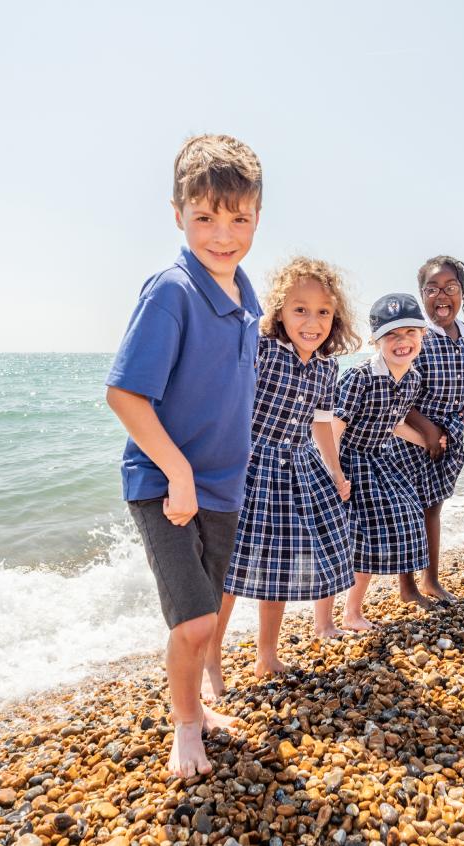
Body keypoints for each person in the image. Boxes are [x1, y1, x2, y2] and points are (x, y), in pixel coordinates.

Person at [105, 134, 263, 778]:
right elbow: (124, 395)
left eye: (238, 219)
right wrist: (177, 473)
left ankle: (196, 705)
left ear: (257, 217)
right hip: (166, 484)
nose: (221, 235)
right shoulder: (172, 290)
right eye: (204, 217)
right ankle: (186, 728)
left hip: (224, 486)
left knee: (211, 610)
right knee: (195, 620)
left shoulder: (247, 299)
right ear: (178, 214)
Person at [203, 257, 361, 690]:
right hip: (250, 467)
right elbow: (227, 399)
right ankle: (210, 658)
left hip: (296, 469)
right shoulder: (264, 349)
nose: (312, 322)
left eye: (323, 312)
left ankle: (267, 656)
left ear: (336, 317)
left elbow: (322, 424)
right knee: (233, 570)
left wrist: (336, 471)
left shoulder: (328, 368)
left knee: (280, 567)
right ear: (279, 312)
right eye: (300, 309)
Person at [333, 294, 445, 630]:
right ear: (375, 340)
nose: (403, 342)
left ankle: (356, 609)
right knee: (361, 539)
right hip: (350, 459)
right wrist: (333, 474)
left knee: (409, 514)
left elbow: (394, 423)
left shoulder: (411, 379)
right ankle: (346, 615)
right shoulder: (360, 377)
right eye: (392, 335)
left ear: (423, 336)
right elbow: (335, 428)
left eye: (411, 332)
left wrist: (426, 439)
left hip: (380, 457)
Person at [392, 255, 464, 602]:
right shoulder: (415, 337)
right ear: (422, 294)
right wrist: (427, 430)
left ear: (462, 293)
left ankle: (431, 579)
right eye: (432, 289)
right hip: (410, 434)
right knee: (408, 508)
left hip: (449, 439)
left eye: (450, 288)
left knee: (434, 506)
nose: (441, 295)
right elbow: (398, 389)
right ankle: (407, 587)